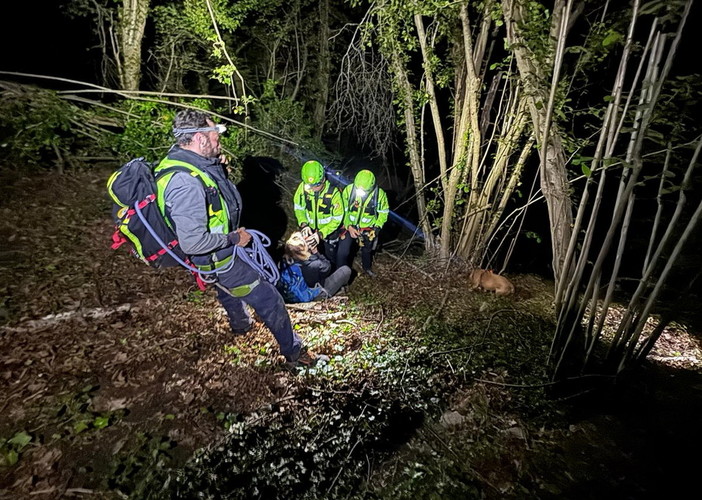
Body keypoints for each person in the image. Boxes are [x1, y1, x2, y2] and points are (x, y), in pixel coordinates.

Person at [155, 109, 326, 369]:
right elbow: (192, 242)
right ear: (200, 139)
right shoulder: (185, 183)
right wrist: (235, 237)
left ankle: (240, 324)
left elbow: (213, 203)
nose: (219, 140)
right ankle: (295, 354)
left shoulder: (186, 163)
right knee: (270, 300)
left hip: (215, 256)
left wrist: (217, 168)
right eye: (215, 135)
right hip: (217, 257)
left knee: (225, 289)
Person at [337, 170, 389, 277]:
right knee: (343, 251)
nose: (360, 193)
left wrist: (377, 228)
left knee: (367, 250)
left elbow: (383, 212)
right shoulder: (349, 190)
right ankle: (339, 275)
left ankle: (367, 268)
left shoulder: (380, 195)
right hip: (349, 226)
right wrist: (349, 226)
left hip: (368, 228)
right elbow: (343, 211)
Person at [293, 160, 344, 266]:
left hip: (329, 233)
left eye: (316, 185)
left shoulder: (333, 192)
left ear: (323, 179)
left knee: (330, 257)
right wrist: (304, 224)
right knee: (312, 257)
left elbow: (338, 217)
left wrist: (321, 234)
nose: (313, 189)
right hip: (310, 231)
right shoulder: (303, 188)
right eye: (310, 186)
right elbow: (299, 207)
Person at [283, 231, 352, 299]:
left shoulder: (291, 260)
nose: (307, 239)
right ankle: (331, 293)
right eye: (305, 241)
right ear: (302, 249)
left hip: (302, 290)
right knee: (345, 270)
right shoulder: (314, 264)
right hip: (317, 293)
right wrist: (316, 252)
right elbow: (328, 267)